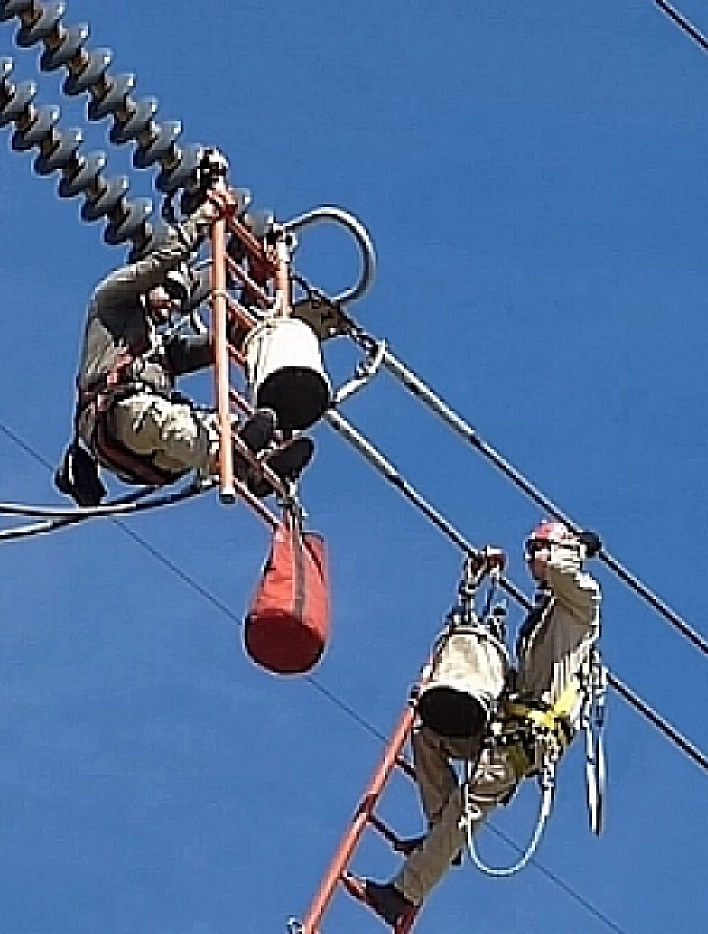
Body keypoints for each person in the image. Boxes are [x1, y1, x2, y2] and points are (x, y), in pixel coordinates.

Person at [345, 521, 603, 929]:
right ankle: (441, 842)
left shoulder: (583, 600)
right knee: (426, 736)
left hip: (529, 738)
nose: (532, 557)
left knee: (467, 807)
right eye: (530, 548)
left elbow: (564, 571)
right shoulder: (547, 615)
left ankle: (402, 894)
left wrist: (576, 545)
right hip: (508, 723)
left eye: (540, 547)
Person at [54, 183, 312, 506]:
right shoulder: (110, 303)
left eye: (179, 299)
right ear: (149, 285)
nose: (173, 306)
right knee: (164, 419)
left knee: (215, 424)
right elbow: (162, 261)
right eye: (169, 293)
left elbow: (225, 341)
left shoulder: (161, 347)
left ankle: (256, 467)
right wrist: (207, 215)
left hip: (159, 457)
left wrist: (257, 276)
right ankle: (228, 458)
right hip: (117, 422)